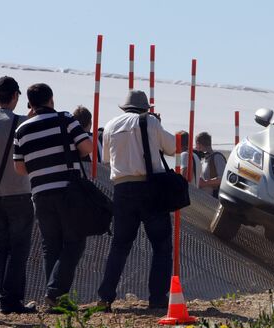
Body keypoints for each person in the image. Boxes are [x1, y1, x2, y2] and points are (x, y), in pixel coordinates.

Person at [13, 83, 93, 309]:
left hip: (39, 193)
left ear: (30, 104)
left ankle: (56, 302)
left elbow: (19, 168)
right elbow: (87, 147)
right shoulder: (65, 119)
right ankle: (54, 292)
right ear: (51, 99)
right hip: (67, 190)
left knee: (52, 246)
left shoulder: (22, 130)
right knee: (75, 242)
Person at [97, 90, 175, 311]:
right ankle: (157, 298)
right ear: (146, 109)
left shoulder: (111, 125)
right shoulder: (150, 122)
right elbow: (172, 147)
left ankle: (105, 296)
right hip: (150, 188)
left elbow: (105, 159)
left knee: (119, 246)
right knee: (161, 246)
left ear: (124, 108)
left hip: (122, 189)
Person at [0, 76, 35, 314]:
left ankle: (3, 298)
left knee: (2, 249)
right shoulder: (21, 123)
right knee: (19, 250)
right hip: (19, 194)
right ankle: (12, 301)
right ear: (15, 97)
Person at [196, 132, 226, 198]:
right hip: (205, 197)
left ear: (198, 144)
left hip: (215, 198)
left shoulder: (217, 157)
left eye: (196, 145)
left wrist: (204, 183)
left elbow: (222, 179)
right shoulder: (203, 160)